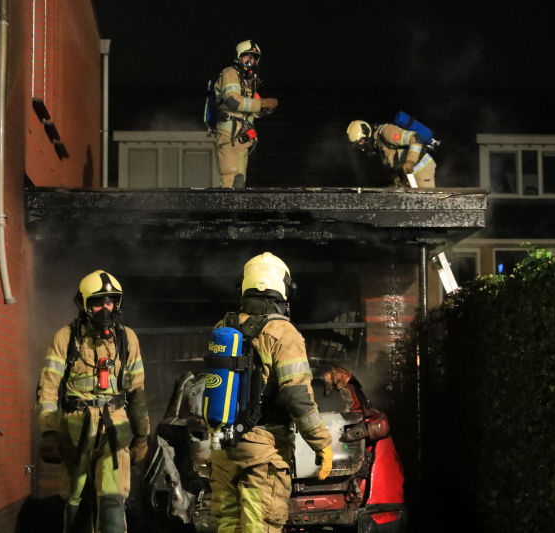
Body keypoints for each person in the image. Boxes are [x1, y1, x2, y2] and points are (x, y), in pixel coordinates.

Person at [210, 252, 333, 533]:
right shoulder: (282, 333)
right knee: (260, 527)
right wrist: (321, 443)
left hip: (223, 448)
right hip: (264, 452)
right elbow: (296, 396)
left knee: (228, 525)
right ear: (282, 287)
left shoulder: (223, 327)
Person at [36, 270, 150, 533]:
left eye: (110, 302)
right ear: (85, 304)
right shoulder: (66, 338)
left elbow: (137, 391)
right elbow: (49, 388)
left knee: (112, 501)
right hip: (75, 431)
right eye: (98, 302)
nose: (106, 308)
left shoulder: (127, 339)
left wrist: (143, 435)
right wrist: (49, 432)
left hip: (115, 432)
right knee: (74, 501)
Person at [214, 40, 278, 188]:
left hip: (242, 138)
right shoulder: (230, 73)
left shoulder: (248, 82)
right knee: (230, 178)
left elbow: (251, 109)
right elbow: (234, 102)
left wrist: (265, 110)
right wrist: (261, 104)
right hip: (228, 135)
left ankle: (235, 211)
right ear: (238, 57)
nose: (250, 61)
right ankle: (226, 210)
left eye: (253, 58)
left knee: (239, 181)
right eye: (246, 57)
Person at [347, 120, 437, 188]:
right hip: (409, 174)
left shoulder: (387, 132)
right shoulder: (375, 144)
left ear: (366, 132)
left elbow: (415, 138)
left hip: (421, 167)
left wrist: (410, 161)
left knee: (427, 203)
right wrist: (394, 175)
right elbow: (390, 159)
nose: (362, 145)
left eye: (361, 141)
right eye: (359, 144)